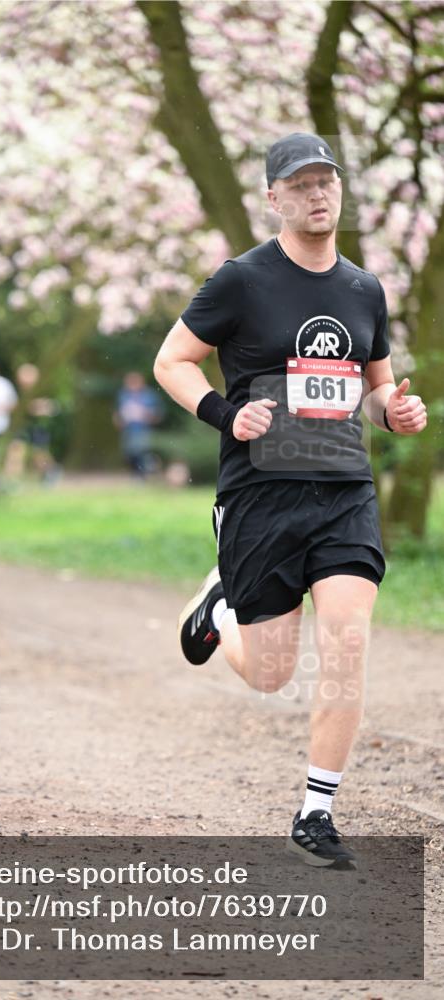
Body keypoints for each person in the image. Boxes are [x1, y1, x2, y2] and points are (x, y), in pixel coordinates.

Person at [153, 132, 427, 869]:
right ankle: (219, 610)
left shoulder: (363, 290)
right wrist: (222, 414)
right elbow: (170, 359)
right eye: (299, 184)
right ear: (272, 197)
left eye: (325, 182)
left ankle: (316, 812)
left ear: (338, 191)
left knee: (345, 639)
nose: (316, 194)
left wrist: (392, 412)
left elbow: (373, 389)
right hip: (260, 495)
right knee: (272, 672)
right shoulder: (240, 281)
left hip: (342, 492)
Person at [114, 371, 164, 477]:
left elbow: (158, 414)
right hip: (128, 430)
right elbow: (118, 414)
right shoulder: (123, 395)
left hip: (144, 430)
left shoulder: (149, 396)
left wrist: (145, 414)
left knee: (143, 453)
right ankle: (136, 475)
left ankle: (144, 475)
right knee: (129, 454)